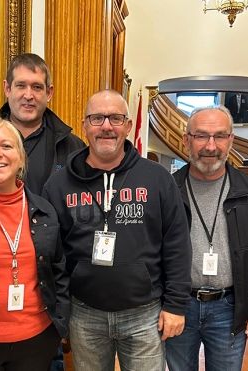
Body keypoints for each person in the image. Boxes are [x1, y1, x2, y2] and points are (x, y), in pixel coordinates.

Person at [43, 89, 192, 371]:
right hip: (85, 313)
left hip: (144, 314)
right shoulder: (59, 185)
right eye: (97, 118)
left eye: (115, 118)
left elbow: (177, 244)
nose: (107, 126)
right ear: (85, 125)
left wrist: (175, 305)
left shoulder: (157, 178)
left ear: (128, 125)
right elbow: (52, 255)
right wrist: (60, 311)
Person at [166, 106, 248, 371]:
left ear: (230, 140)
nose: (210, 145)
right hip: (178, 306)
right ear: (186, 140)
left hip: (229, 307)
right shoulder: (167, 189)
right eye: (201, 136)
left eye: (220, 136)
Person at [0, 117, 69, 370]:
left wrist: (60, 324)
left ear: (21, 157)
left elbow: (59, 270)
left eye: (7, 146)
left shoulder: (44, 211)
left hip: (37, 341)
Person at [0, 53, 85, 195]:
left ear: (49, 93)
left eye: (37, 87)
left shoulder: (73, 147)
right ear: (7, 88)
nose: (28, 96)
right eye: (21, 86)